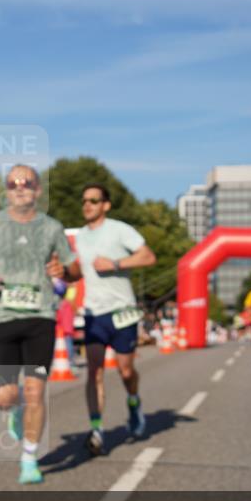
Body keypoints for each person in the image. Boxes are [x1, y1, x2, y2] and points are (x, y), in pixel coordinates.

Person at [0, 164, 80, 484]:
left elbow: (74, 270)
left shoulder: (53, 227)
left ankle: (29, 458)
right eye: (12, 183)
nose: (19, 187)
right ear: (6, 190)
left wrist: (63, 271)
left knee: (36, 390)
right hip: (1, 316)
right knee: (3, 397)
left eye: (26, 182)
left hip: (41, 316)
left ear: (38, 190)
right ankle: (15, 412)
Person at [72, 184, 156, 454]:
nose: (87, 205)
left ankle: (133, 401)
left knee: (125, 371)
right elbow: (76, 271)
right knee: (94, 371)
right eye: (84, 200)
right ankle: (96, 429)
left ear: (105, 205)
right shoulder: (80, 237)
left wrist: (116, 264)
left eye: (94, 200)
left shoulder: (120, 230)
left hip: (122, 313)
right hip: (94, 314)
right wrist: (61, 271)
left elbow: (148, 256)